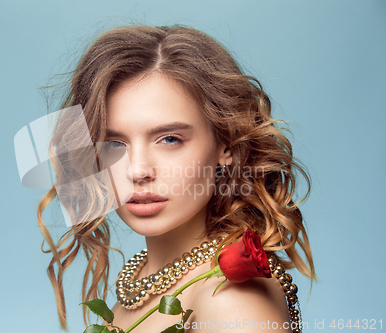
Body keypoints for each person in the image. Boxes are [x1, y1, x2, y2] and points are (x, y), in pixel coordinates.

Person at [37, 24, 316, 332]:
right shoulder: (146, 277)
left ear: (227, 146)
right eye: (114, 144)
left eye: (170, 139)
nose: (138, 170)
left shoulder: (231, 301)